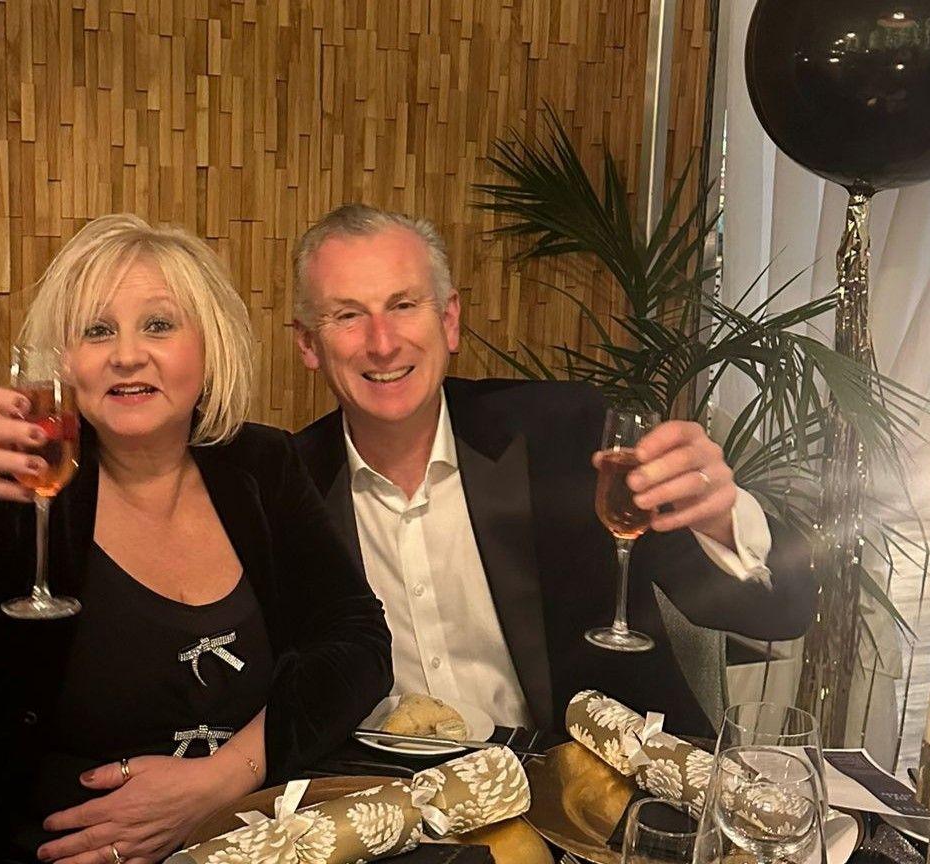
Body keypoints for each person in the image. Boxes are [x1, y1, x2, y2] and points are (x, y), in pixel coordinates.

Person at [0, 214, 392, 864]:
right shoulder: (23, 489)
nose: (127, 354)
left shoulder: (259, 465)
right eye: (97, 330)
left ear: (210, 342)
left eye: (159, 325)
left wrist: (220, 780)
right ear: (65, 362)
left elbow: (357, 642)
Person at [290, 204, 816, 738]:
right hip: (382, 795)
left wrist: (722, 520)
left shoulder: (566, 438)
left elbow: (778, 615)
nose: (382, 343)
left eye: (403, 305)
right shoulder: (286, 487)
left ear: (449, 320)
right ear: (309, 343)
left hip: (587, 792)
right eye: (348, 315)